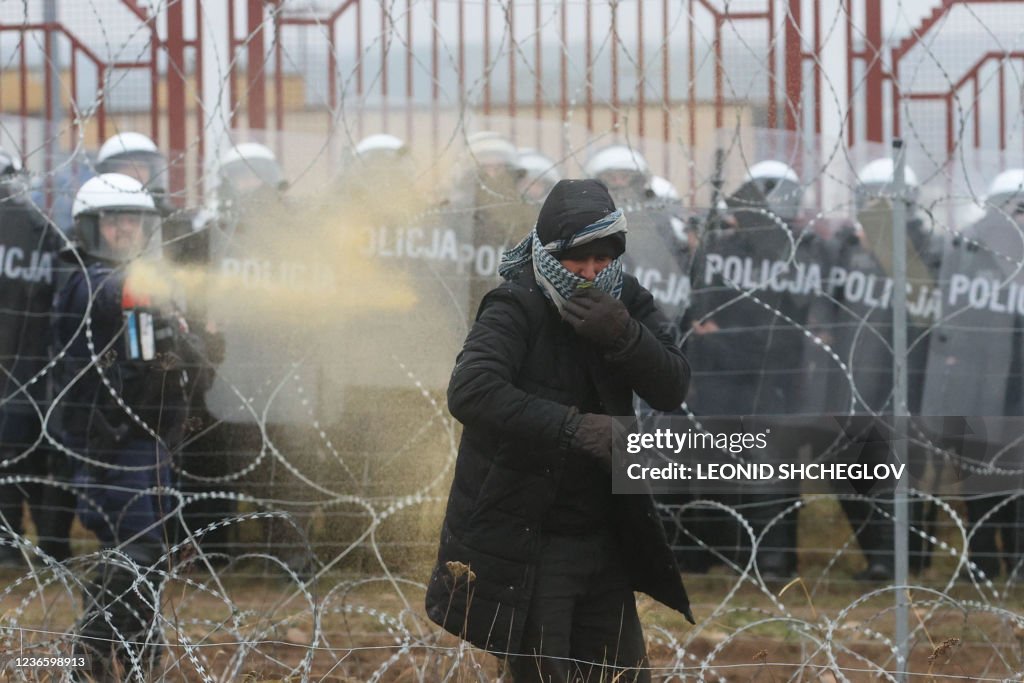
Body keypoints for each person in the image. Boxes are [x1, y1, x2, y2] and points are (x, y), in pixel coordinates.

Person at [425, 179, 694, 683]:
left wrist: (625, 335)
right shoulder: (517, 303)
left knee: (623, 674)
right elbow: (471, 390)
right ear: (550, 251)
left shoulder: (625, 299)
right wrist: (573, 428)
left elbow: (673, 386)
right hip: (531, 540)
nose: (590, 274)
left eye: (603, 260)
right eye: (577, 260)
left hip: (605, 533)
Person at [54, 173, 204, 678]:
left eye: (136, 221)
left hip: (147, 439)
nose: (127, 230)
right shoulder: (83, 277)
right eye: (115, 221)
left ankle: (136, 652)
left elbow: (174, 357)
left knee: (137, 555)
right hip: (109, 442)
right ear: (90, 227)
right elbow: (107, 298)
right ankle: (96, 653)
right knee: (139, 550)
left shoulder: (141, 281)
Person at [921, 167, 1024, 581]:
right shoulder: (969, 247)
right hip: (977, 379)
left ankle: (1016, 559)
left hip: (1015, 380)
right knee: (976, 469)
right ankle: (982, 558)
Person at [0, 146, 70, 565]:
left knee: (5, 463)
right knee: (48, 463)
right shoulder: (44, 229)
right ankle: (54, 548)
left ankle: (6, 546)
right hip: (43, 371)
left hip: (8, 368)